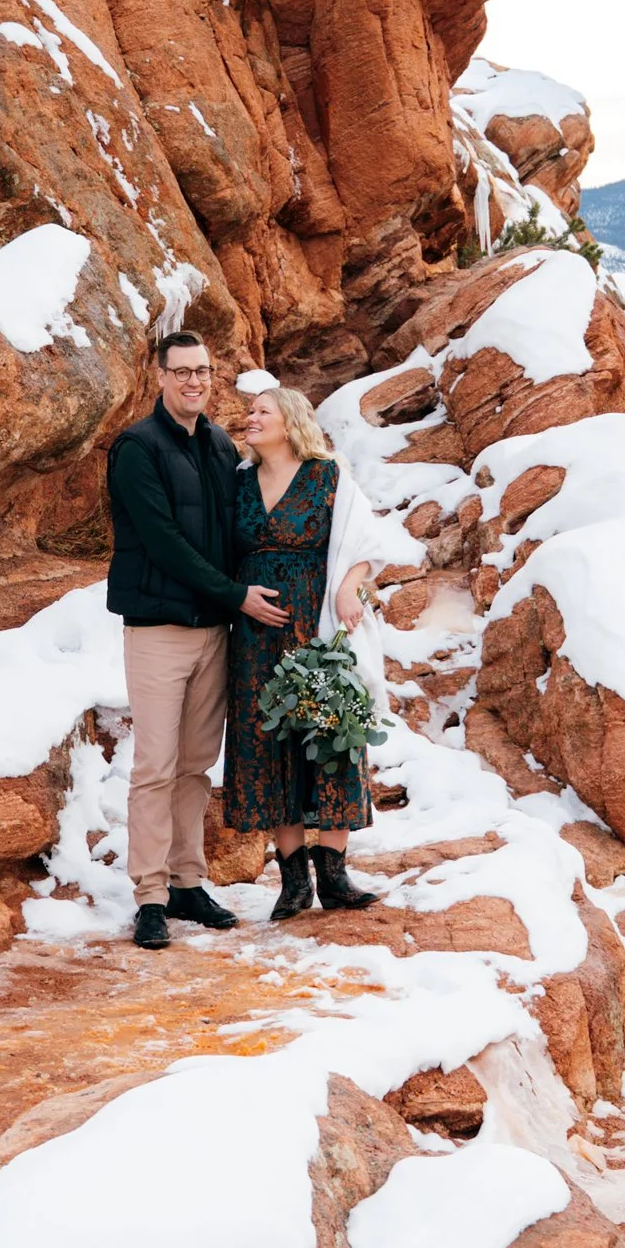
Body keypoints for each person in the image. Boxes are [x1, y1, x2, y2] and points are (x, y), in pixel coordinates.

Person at [104, 328, 288, 953]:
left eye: (202, 371)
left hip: (215, 633)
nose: (193, 381)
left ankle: (188, 881)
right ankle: (150, 897)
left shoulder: (217, 444)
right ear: (159, 376)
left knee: (194, 767)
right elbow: (163, 543)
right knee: (155, 767)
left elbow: (244, 530)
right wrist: (236, 595)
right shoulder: (136, 448)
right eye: (181, 371)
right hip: (159, 630)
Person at [223, 378, 378, 919]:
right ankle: (293, 881)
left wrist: (345, 587)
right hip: (253, 637)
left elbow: (362, 540)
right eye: (249, 411)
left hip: (314, 627)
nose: (251, 417)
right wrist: (239, 600)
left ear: (289, 421)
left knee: (330, 734)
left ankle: (334, 874)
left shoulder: (326, 475)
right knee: (266, 742)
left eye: (262, 410)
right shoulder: (238, 482)